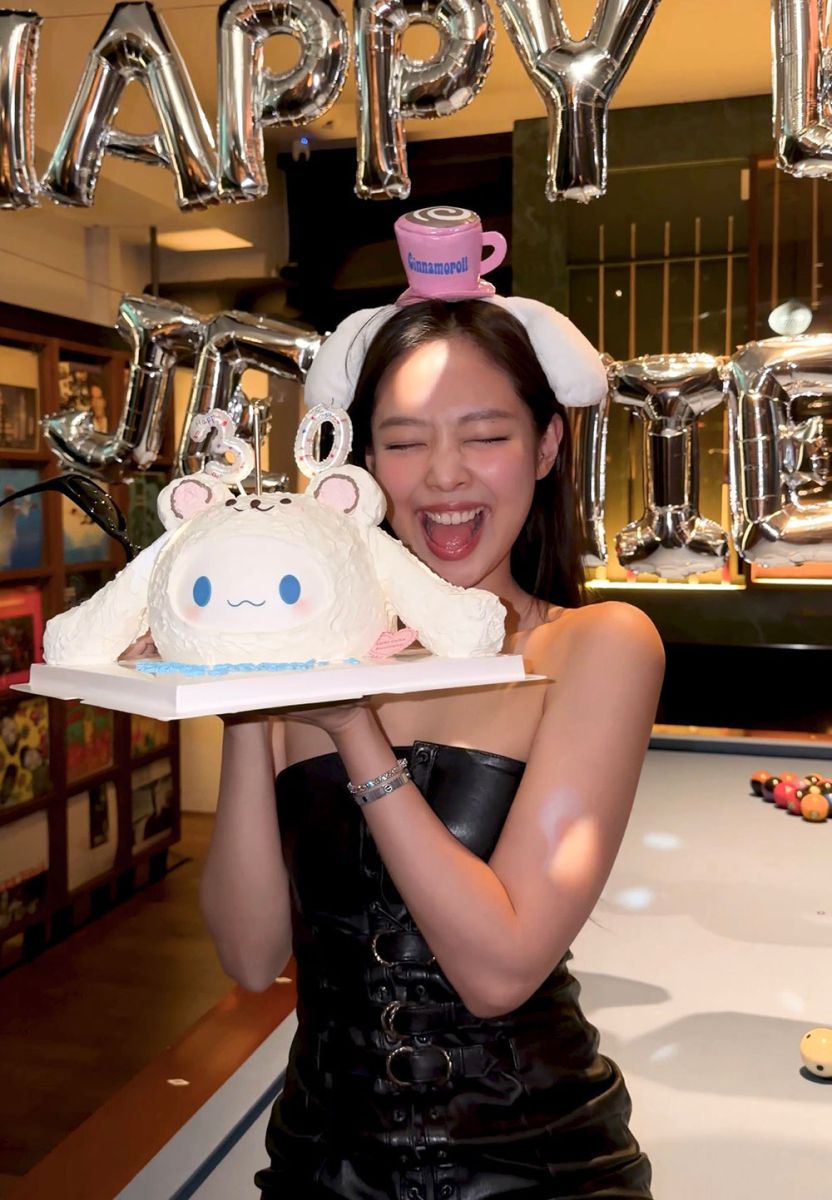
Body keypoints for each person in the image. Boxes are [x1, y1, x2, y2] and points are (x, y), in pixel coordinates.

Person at [198, 210, 666, 1199]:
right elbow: (249, 955)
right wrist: (245, 698)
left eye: (485, 436)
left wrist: (354, 730)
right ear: (364, 467)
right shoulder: (312, 657)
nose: (444, 477)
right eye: (404, 443)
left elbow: (499, 973)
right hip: (321, 1167)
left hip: (535, 1167)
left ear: (546, 445)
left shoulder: (597, 647)